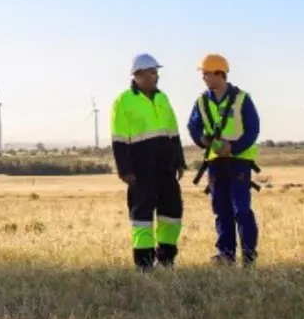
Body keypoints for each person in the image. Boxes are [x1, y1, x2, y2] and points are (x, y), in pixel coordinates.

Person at [109, 53, 185, 271]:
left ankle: (166, 259)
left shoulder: (163, 98)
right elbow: (119, 138)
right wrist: (125, 170)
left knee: (172, 214)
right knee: (142, 218)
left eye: (156, 72)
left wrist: (179, 161)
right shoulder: (123, 101)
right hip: (141, 171)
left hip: (166, 168)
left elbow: (173, 132)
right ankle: (144, 265)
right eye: (152, 72)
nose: (156, 76)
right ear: (138, 75)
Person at [188, 52, 261, 266]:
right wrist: (205, 142)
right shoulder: (201, 102)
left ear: (220, 74)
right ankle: (225, 254)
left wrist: (233, 148)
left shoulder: (242, 99)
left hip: (239, 162)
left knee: (242, 210)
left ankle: (249, 255)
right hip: (215, 163)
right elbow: (193, 127)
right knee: (221, 210)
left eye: (206, 74)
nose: (203, 78)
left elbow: (253, 129)